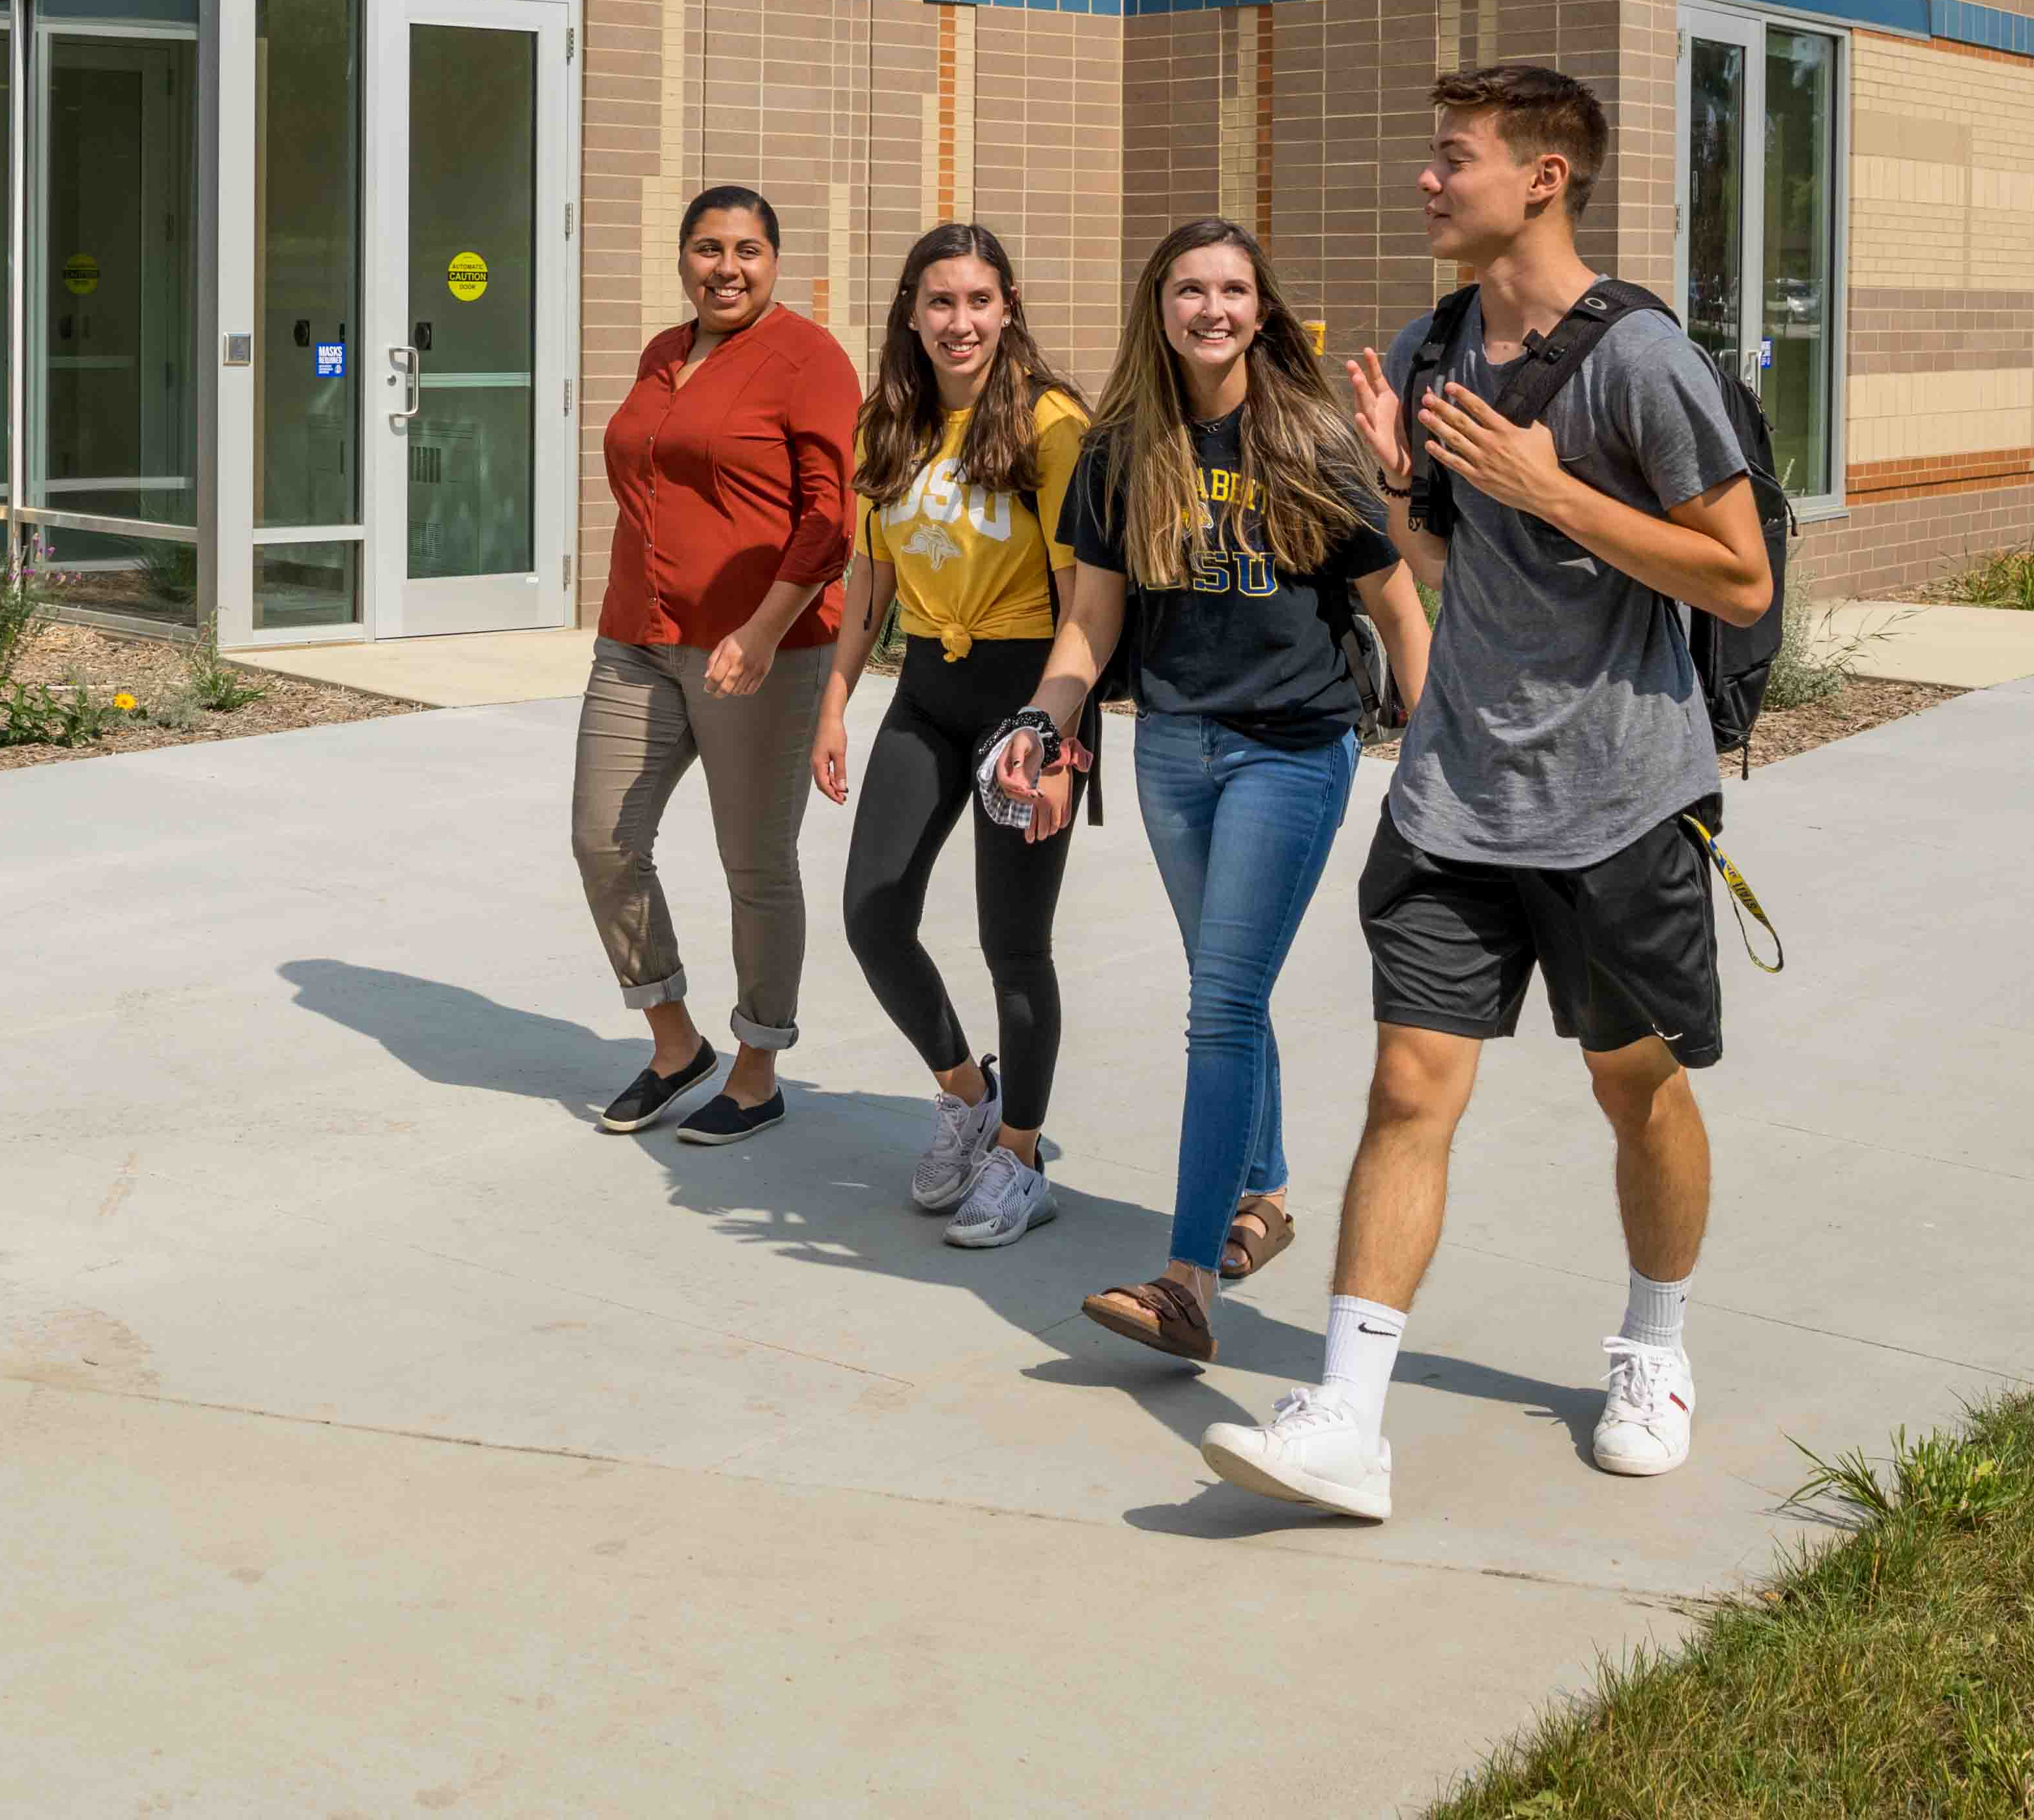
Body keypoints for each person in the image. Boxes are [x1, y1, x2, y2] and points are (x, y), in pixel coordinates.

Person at [1199, 61, 1772, 1527]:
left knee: (1632, 1085)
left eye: (1452, 157)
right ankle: (1347, 1415)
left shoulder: (1643, 361)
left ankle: (1653, 1342)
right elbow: (1460, 572)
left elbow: (1738, 572)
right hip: (1456, 790)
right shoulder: (1433, 341)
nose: (1426, 180)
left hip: (1620, 799)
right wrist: (1409, 489)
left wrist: (1549, 484)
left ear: (1544, 177)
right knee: (1407, 1085)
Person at [987, 218, 1433, 1363]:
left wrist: (1439, 756)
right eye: (1191, 289)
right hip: (1173, 751)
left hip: (1292, 748)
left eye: (1234, 289)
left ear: (1262, 310)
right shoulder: (1121, 448)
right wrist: (1047, 717)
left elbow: (1395, 607)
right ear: (1160, 307)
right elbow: (1092, 618)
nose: (1213, 309)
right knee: (1223, 985)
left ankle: (1186, 1282)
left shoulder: (1313, 440)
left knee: (1222, 1004)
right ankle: (1267, 1197)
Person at [814, 224, 1092, 1249]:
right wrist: (837, 701)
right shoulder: (888, 421)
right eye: (940, 303)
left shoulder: (1053, 427)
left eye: (979, 301)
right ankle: (968, 1093)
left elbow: (1084, 605)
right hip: (927, 688)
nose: (959, 322)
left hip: (1029, 693)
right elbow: (868, 579)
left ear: (1008, 307)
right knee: (872, 913)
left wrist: (1060, 742)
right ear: (912, 312)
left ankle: (1021, 1157)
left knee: (1013, 945)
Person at [575, 184, 860, 1146]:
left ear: (774, 260)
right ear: (683, 258)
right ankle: (672, 1044)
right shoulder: (664, 352)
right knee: (604, 843)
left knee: (755, 865)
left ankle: (756, 1065)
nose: (725, 268)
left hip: (761, 653)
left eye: (746, 250)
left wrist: (768, 627)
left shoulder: (810, 359)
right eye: (707, 248)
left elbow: (831, 518)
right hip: (637, 639)